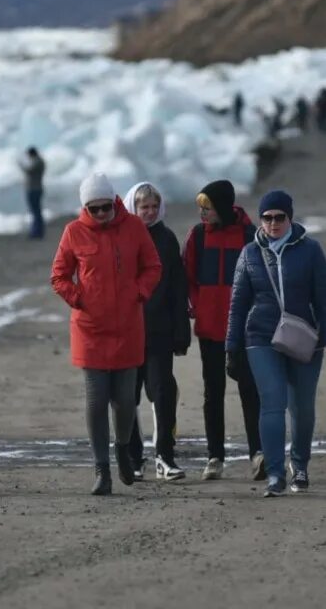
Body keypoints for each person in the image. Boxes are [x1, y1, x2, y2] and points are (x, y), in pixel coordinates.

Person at [225, 190, 326, 497]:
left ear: (290, 218)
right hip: (261, 338)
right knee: (272, 402)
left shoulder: (311, 251)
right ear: (260, 220)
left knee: (302, 408)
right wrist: (231, 346)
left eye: (280, 217)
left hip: (305, 337)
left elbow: (325, 298)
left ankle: (300, 465)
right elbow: (237, 304)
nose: (273, 223)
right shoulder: (249, 254)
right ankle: (275, 474)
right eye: (267, 218)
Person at [51, 173, 161, 496]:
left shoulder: (134, 228)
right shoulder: (73, 232)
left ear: (114, 202)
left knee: (125, 400)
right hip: (91, 330)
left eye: (105, 208)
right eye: (93, 209)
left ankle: (123, 448)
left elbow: (152, 266)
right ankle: (101, 469)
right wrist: (79, 298)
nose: (100, 215)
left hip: (127, 326)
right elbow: (58, 276)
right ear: (85, 207)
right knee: (97, 399)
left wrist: (138, 292)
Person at [183, 180, 264, 481]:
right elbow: (188, 276)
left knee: (249, 390)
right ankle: (215, 457)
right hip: (209, 328)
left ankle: (258, 453)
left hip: (243, 329)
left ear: (223, 207)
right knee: (212, 392)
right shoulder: (198, 237)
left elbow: (260, 281)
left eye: (208, 208)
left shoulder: (248, 235)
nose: (203, 213)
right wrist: (197, 304)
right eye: (201, 208)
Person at [123, 181, 191, 482]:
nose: (149, 212)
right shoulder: (122, 238)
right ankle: (134, 458)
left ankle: (164, 455)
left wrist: (181, 331)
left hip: (160, 332)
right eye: (143, 207)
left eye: (153, 207)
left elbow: (178, 288)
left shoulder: (166, 239)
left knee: (161, 393)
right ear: (132, 208)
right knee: (127, 397)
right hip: (126, 333)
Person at [21, 147, 46, 240]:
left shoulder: (37, 162)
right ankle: (37, 230)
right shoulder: (39, 161)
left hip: (34, 189)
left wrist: (21, 166)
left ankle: (37, 231)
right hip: (36, 188)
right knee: (36, 211)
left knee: (35, 211)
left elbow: (29, 171)